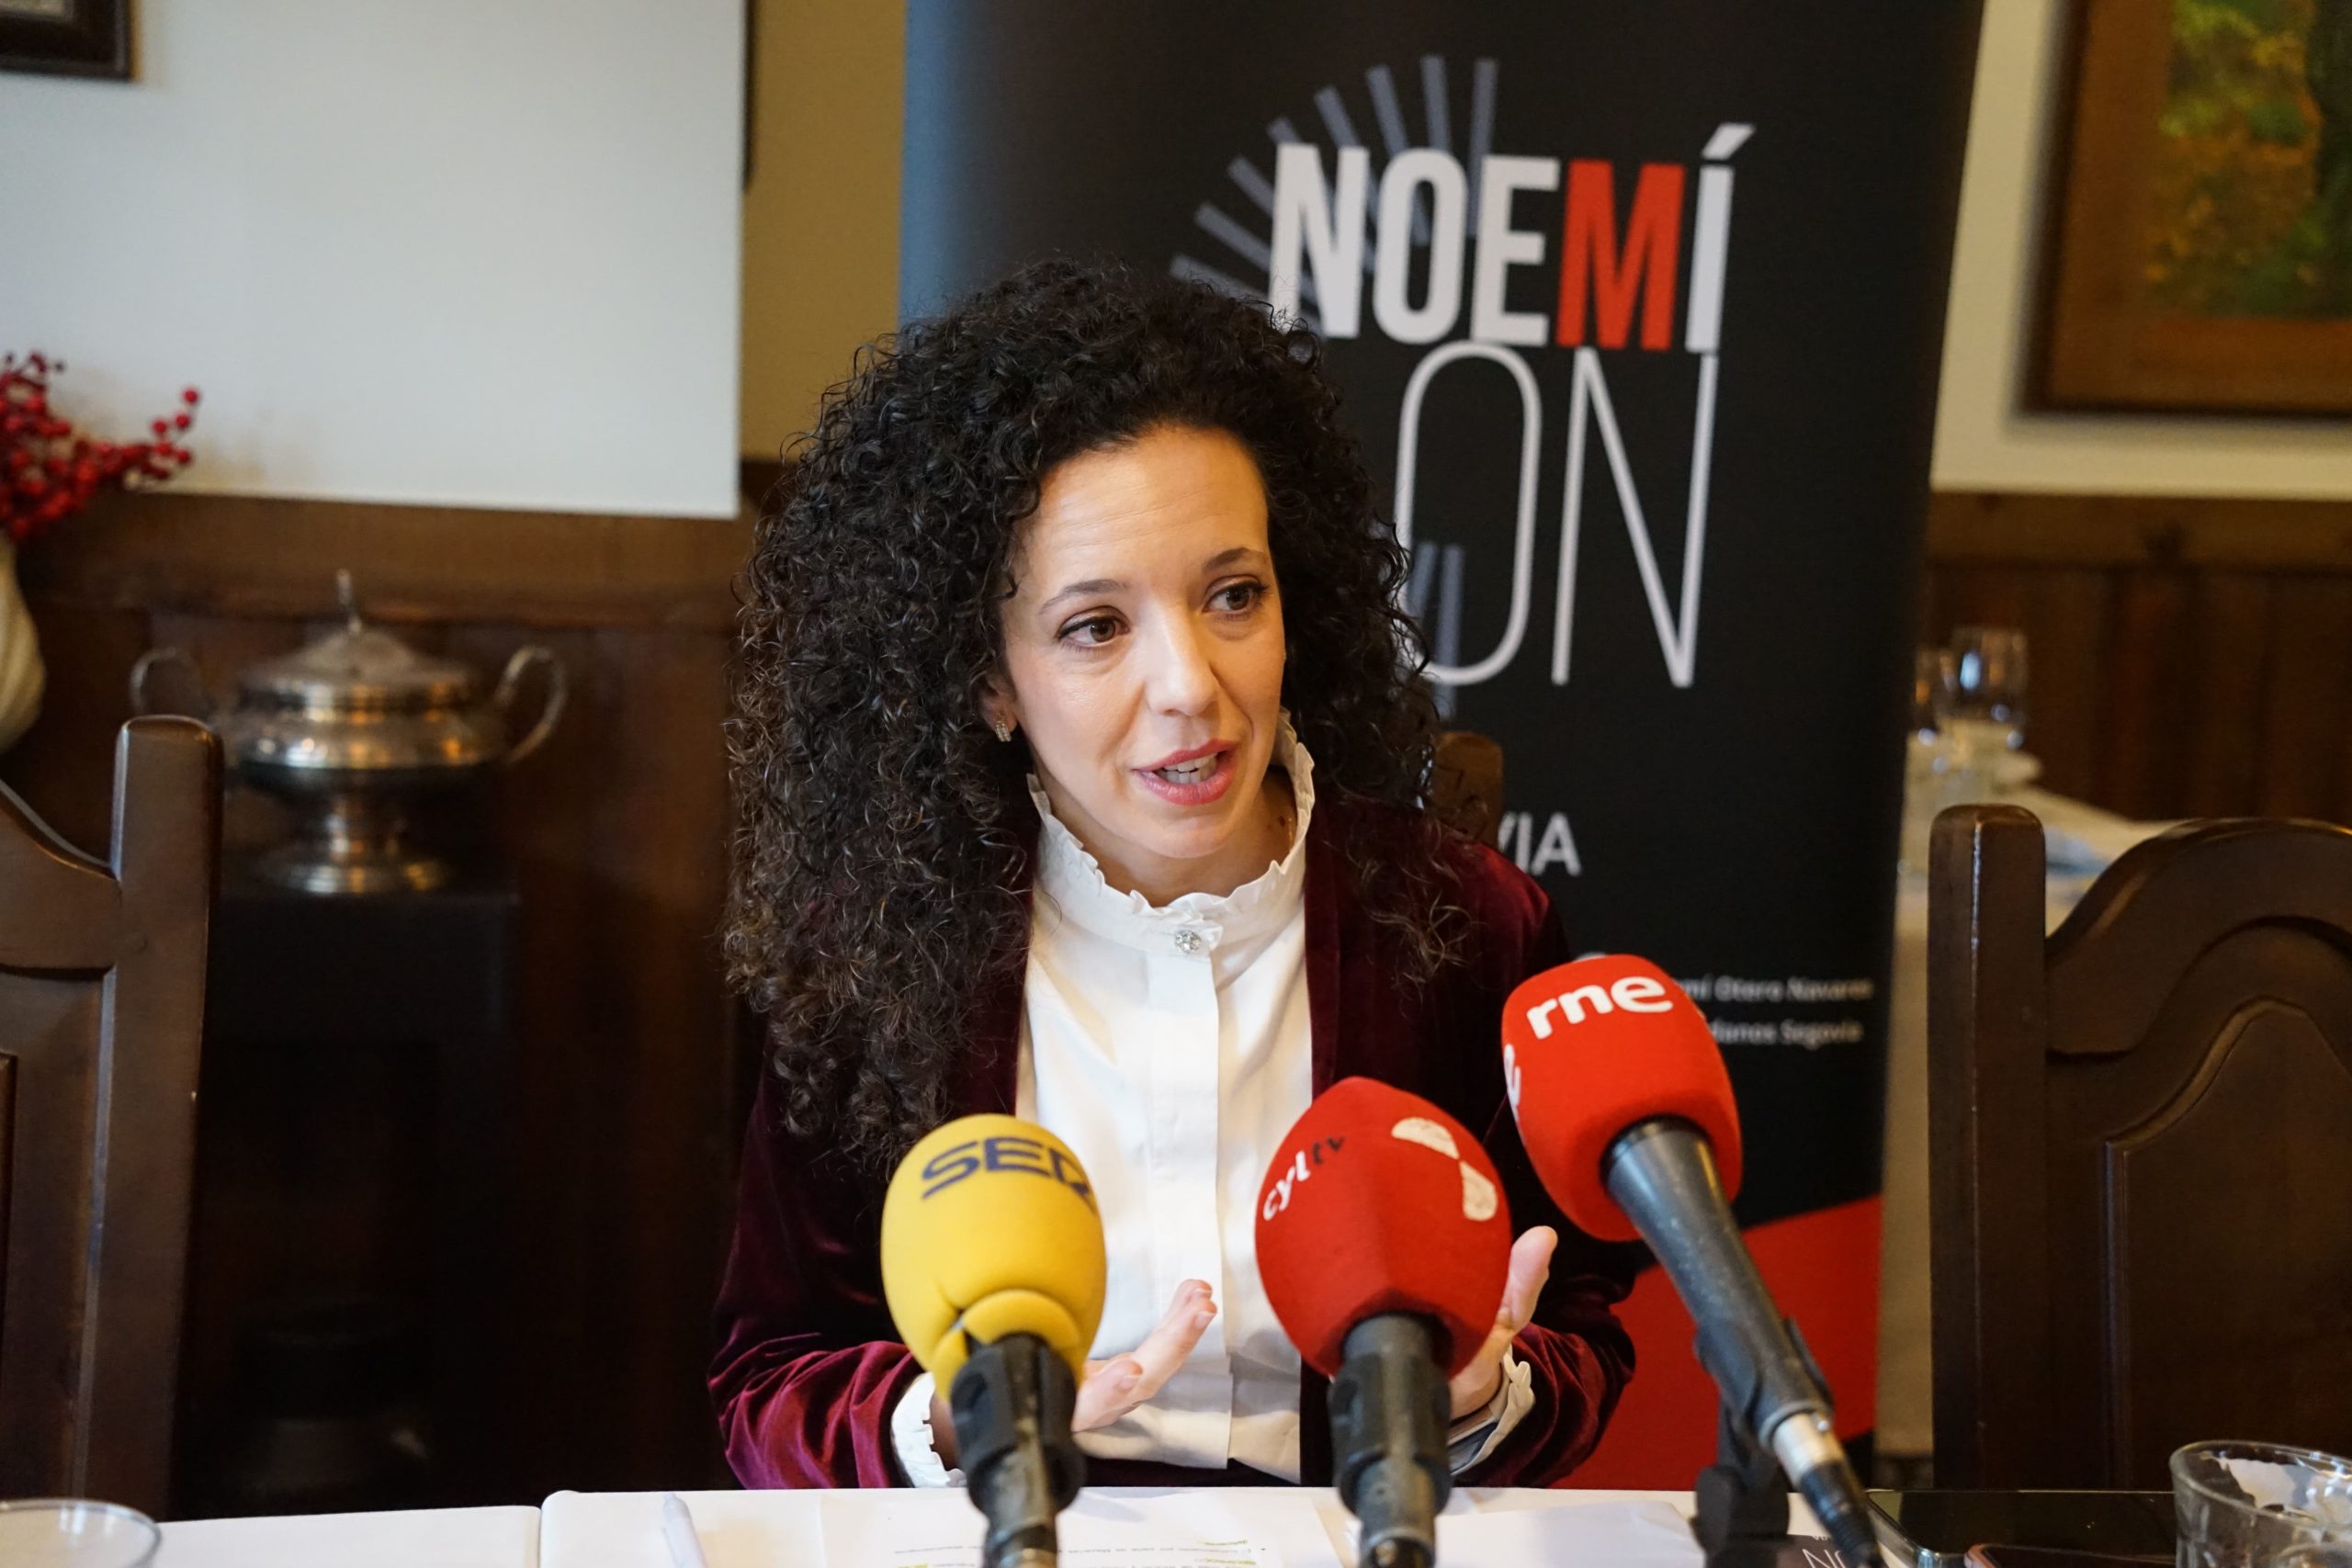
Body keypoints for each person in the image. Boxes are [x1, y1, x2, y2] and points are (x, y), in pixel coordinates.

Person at [712, 258, 1633, 1489]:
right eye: (1096, 627)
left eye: (1233, 596)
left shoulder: (1472, 925)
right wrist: (962, 1421)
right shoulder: (874, 957)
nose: (1192, 685)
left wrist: (1480, 1400)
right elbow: (774, 1373)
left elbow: (1576, 1319)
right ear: (988, 682)